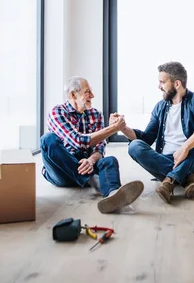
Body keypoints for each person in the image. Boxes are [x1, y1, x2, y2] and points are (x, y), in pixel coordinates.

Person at [115, 61, 194, 204]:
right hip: (165, 162)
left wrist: (185, 147)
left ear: (177, 84)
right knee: (135, 146)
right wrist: (122, 128)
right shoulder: (160, 107)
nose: (159, 87)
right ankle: (186, 179)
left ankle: (171, 179)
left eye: (162, 82)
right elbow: (146, 138)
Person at [40, 76, 144, 214]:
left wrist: (91, 160)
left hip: (86, 165)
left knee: (109, 160)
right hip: (62, 170)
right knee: (47, 139)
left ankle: (113, 195)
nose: (92, 96)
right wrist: (113, 129)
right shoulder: (57, 112)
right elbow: (77, 141)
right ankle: (92, 180)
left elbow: (99, 147)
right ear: (73, 94)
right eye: (87, 92)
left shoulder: (96, 114)